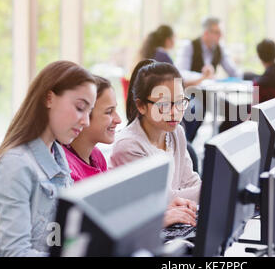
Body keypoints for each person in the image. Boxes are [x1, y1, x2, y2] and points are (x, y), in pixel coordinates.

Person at [0, 61, 98, 257]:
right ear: (49, 98)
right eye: (80, 107)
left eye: (89, 112)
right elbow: (15, 253)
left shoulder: (58, 156)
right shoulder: (15, 164)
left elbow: (60, 237)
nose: (85, 121)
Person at [64, 75, 197, 227]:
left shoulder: (96, 156)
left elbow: (113, 212)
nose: (119, 119)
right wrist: (155, 220)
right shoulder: (67, 172)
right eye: (109, 112)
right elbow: (93, 229)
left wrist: (162, 210)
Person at [111, 60, 201, 205]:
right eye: (164, 104)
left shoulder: (176, 132)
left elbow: (190, 181)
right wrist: (210, 190)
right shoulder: (128, 146)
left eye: (179, 102)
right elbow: (160, 199)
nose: (174, 112)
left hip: (174, 218)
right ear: (141, 106)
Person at [139, 25, 213, 87]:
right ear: (168, 40)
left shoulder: (154, 53)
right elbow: (180, 84)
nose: (175, 41)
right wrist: (204, 77)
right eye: (174, 37)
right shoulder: (163, 57)